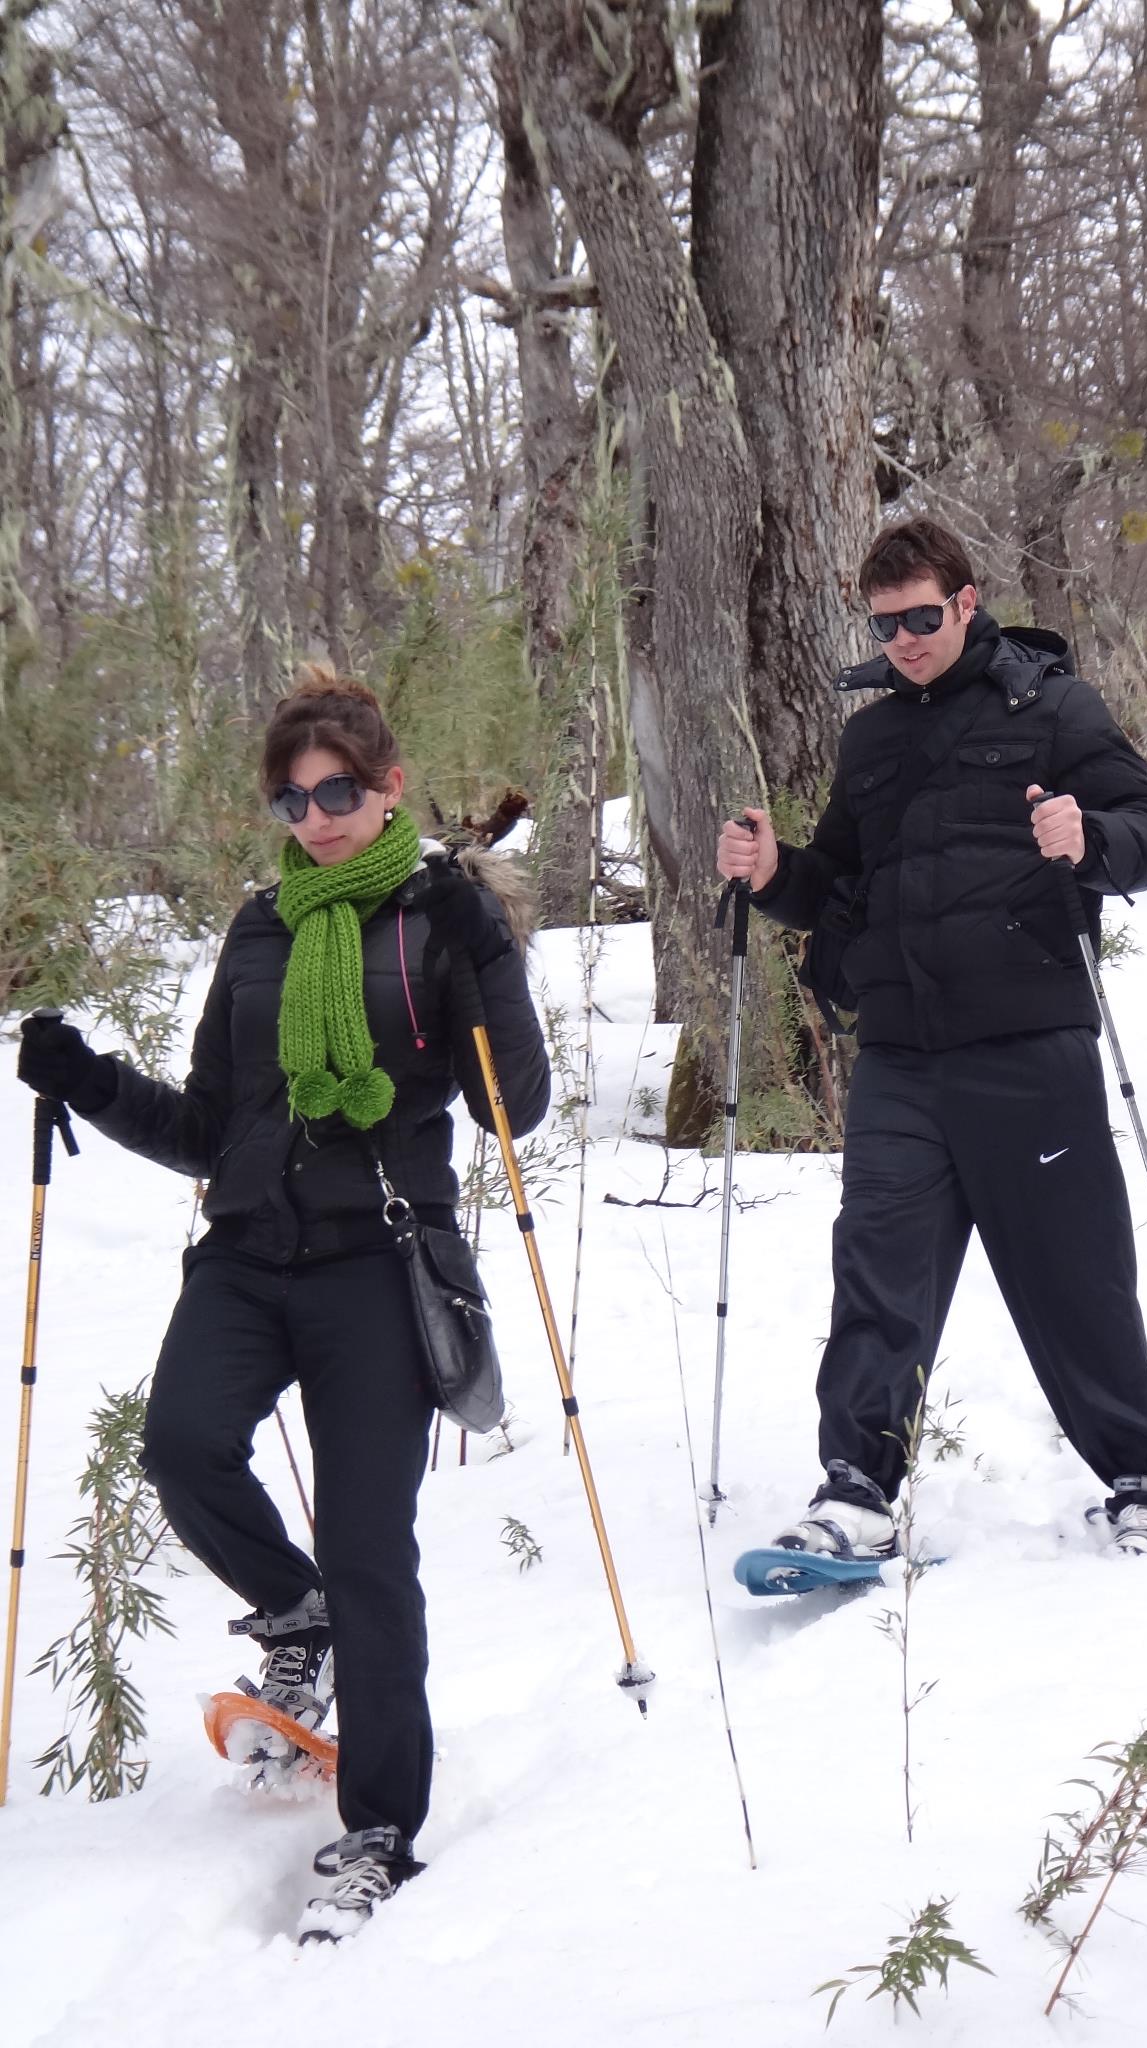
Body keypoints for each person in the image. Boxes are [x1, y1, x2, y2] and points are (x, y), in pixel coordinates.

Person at [16, 666, 550, 1942]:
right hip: (249, 1252)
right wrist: (81, 1076)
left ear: (390, 785)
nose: (314, 814)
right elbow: (210, 1123)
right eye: (291, 796)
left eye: (338, 791)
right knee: (184, 1444)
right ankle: (290, 1611)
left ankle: (379, 1824)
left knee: (374, 1549)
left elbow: (510, 1111)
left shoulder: (440, 920)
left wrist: (490, 956)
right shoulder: (260, 929)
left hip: (380, 1259)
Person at [716, 517, 1147, 1560]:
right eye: (885, 624)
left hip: (1030, 1043)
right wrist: (770, 871)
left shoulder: (1055, 706)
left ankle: (1141, 1478)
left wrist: (1090, 838)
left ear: (968, 602)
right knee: (878, 1271)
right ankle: (855, 1492)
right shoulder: (870, 739)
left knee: (1074, 1272)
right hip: (902, 1055)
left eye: (923, 616)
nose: (905, 640)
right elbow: (840, 883)